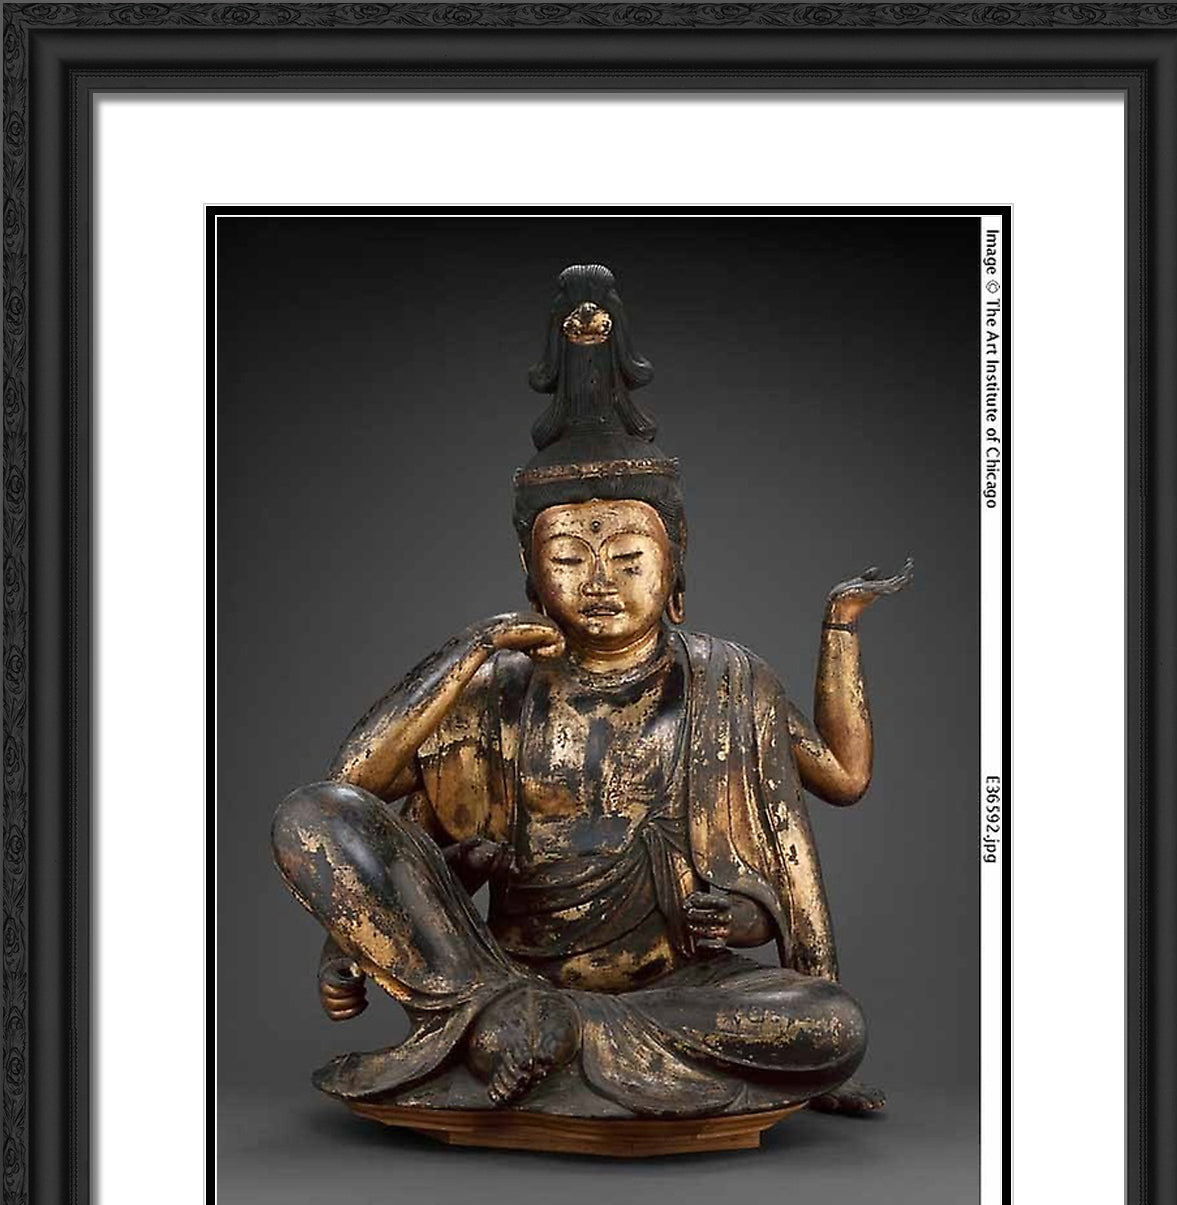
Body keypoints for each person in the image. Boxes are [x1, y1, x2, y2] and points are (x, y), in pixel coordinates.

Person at [272, 263, 910, 1129]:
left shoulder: (729, 679)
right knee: (310, 814)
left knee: (828, 1023)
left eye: (629, 557)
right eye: (568, 557)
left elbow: (831, 790)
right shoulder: (499, 684)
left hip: (681, 987)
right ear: (531, 573)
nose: (599, 579)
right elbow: (354, 790)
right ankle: (513, 1019)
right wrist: (468, 650)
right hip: (504, 969)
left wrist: (742, 917)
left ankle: (543, 1035)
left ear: (674, 566)